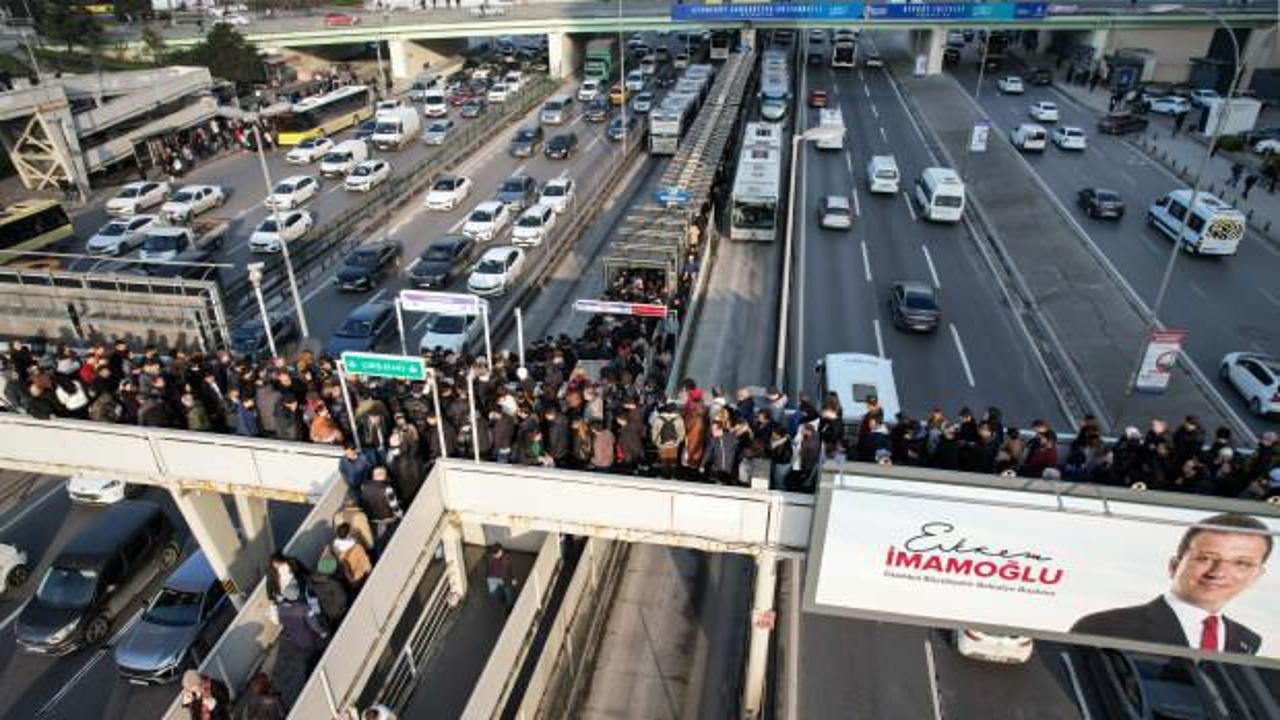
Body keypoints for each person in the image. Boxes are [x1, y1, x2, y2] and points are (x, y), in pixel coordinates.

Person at [1070, 513, 1271, 654]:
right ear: (1174, 566)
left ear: (1256, 576)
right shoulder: (1104, 626)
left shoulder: (1247, 640)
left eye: (1241, 563)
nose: (1218, 572)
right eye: (1205, 558)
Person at [486, 543, 517, 611]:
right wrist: (489, 577)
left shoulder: (506, 558)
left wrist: (513, 578)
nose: (495, 555)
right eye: (494, 554)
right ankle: (502, 597)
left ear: (500, 551)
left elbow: (509, 569)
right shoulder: (490, 557)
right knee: (493, 592)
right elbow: (488, 567)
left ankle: (509, 607)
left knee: (509, 594)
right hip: (493, 578)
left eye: (496, 553)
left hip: (505, 578)